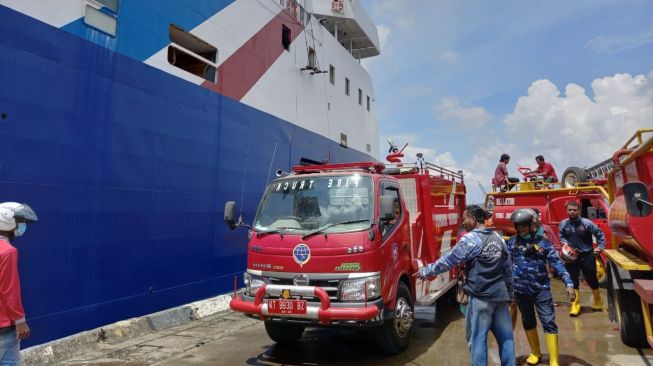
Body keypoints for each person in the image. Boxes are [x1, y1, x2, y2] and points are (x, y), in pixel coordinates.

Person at [418, 205, 515, 366]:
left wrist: (427, 271)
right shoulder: (498, 238)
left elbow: (448, 260)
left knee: (477, 339)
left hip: (481, 297)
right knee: (506, 337)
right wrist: (511, 294)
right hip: (500, 297)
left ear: (474, 219)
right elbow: (508, 269)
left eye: (465, 219)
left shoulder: (471, 239)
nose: (463, 222)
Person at [507, 209, 575, 366]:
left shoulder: (542, 242)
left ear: (531, 225)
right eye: (519, 225)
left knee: (548, 321)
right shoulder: (511, 242)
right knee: (528, 321)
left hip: (541, 289)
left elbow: (556, 263)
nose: (522, 228)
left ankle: (554, 360)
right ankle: (535, 352)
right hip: (520, 291)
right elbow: (506, 265)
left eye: (525, 225)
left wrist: (569, 283)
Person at [0, 202, 38, 365]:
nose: (22, 225)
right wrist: (20, 321)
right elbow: (9, 290)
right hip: (3, 325)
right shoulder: (8, 252)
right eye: (19, 220)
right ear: (7, 221)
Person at [558, 201, 606, 316]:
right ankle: (575, 305)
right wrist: (566, 246)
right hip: (572, 258)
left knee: (591, 279)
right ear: (567, 210)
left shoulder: (587, 223)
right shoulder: (563, 224)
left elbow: (600, 234)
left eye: (574, 210)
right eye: (570, 210)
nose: (572, 212)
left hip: (587, 256)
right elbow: (561, 236)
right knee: (572, 281)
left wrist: (600, 248)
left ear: (579, 210)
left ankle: (598, 300)